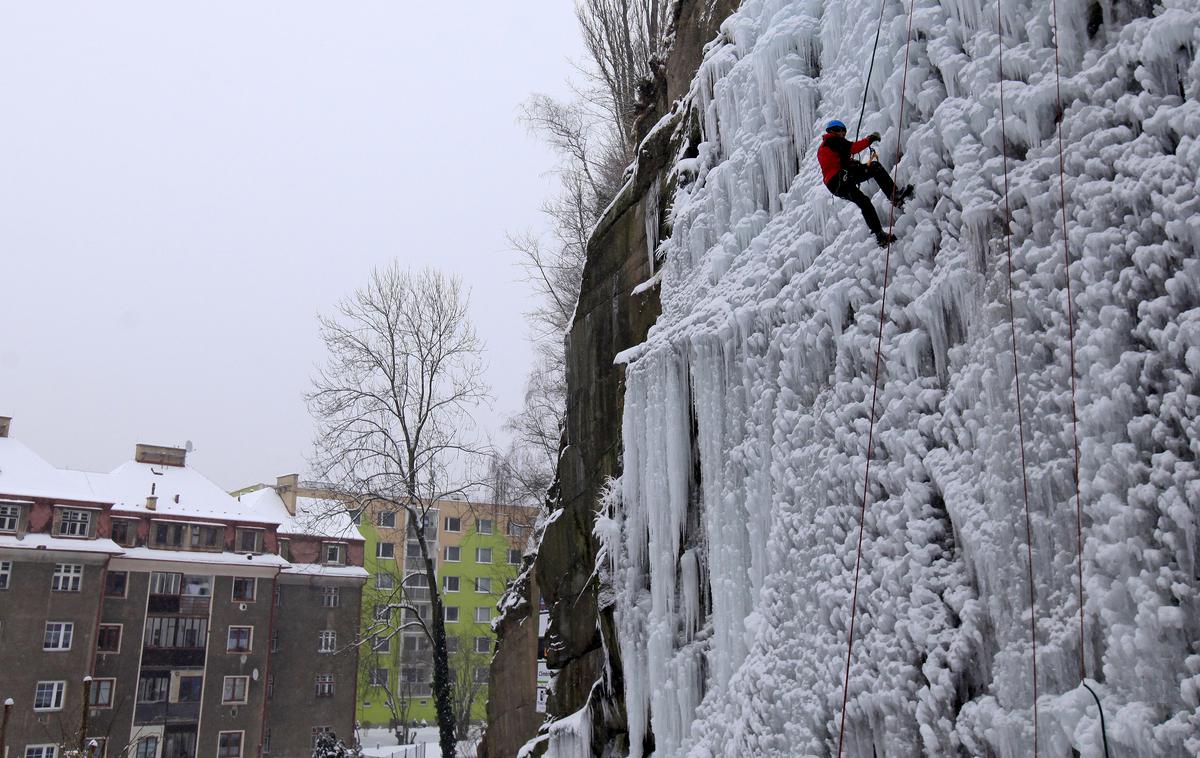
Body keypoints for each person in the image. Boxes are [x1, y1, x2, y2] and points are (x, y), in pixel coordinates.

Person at [818, 119, 913, 247]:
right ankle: (894, 195)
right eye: (842, 132)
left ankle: (879, 235)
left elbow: (837, 163)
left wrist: (854, 164)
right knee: (874, 167)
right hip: (840, 178)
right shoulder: (832, 140)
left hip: (836, 186)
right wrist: (870, 138)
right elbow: (853, 148)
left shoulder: (826, 147)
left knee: (864, 202)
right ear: (835, 130)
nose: (843, 135)